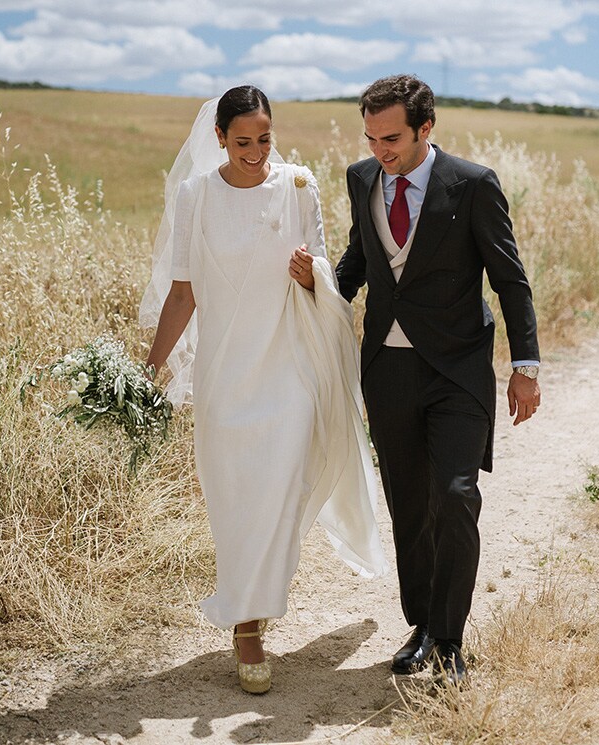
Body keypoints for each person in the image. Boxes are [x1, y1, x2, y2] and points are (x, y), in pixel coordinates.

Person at [140, 86, 388, 695]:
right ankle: (246, 609)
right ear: (219, 138)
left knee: (280, 486)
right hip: (224, 374)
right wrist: (149, 370)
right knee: (234, 500)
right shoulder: (196, 196)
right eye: (243, 142)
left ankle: (250, 624)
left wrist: (312, 278)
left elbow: (328, 276)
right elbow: (182, 293)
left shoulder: (299, 186)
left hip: (288, 366)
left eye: (265, 140)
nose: (256, 153)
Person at [335, 74, 541, 686]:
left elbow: (510, 279)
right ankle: (421, 626)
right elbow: (360, 261)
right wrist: (314, 290)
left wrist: (525, 366)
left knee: (455, 496)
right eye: (371, 138)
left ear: (427, 128)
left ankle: (450, 640)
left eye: (392, 138)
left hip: (457, 371)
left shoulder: (473, 185)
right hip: (388, 371)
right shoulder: (361, 179)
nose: (380, 151)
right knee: (409, 505)